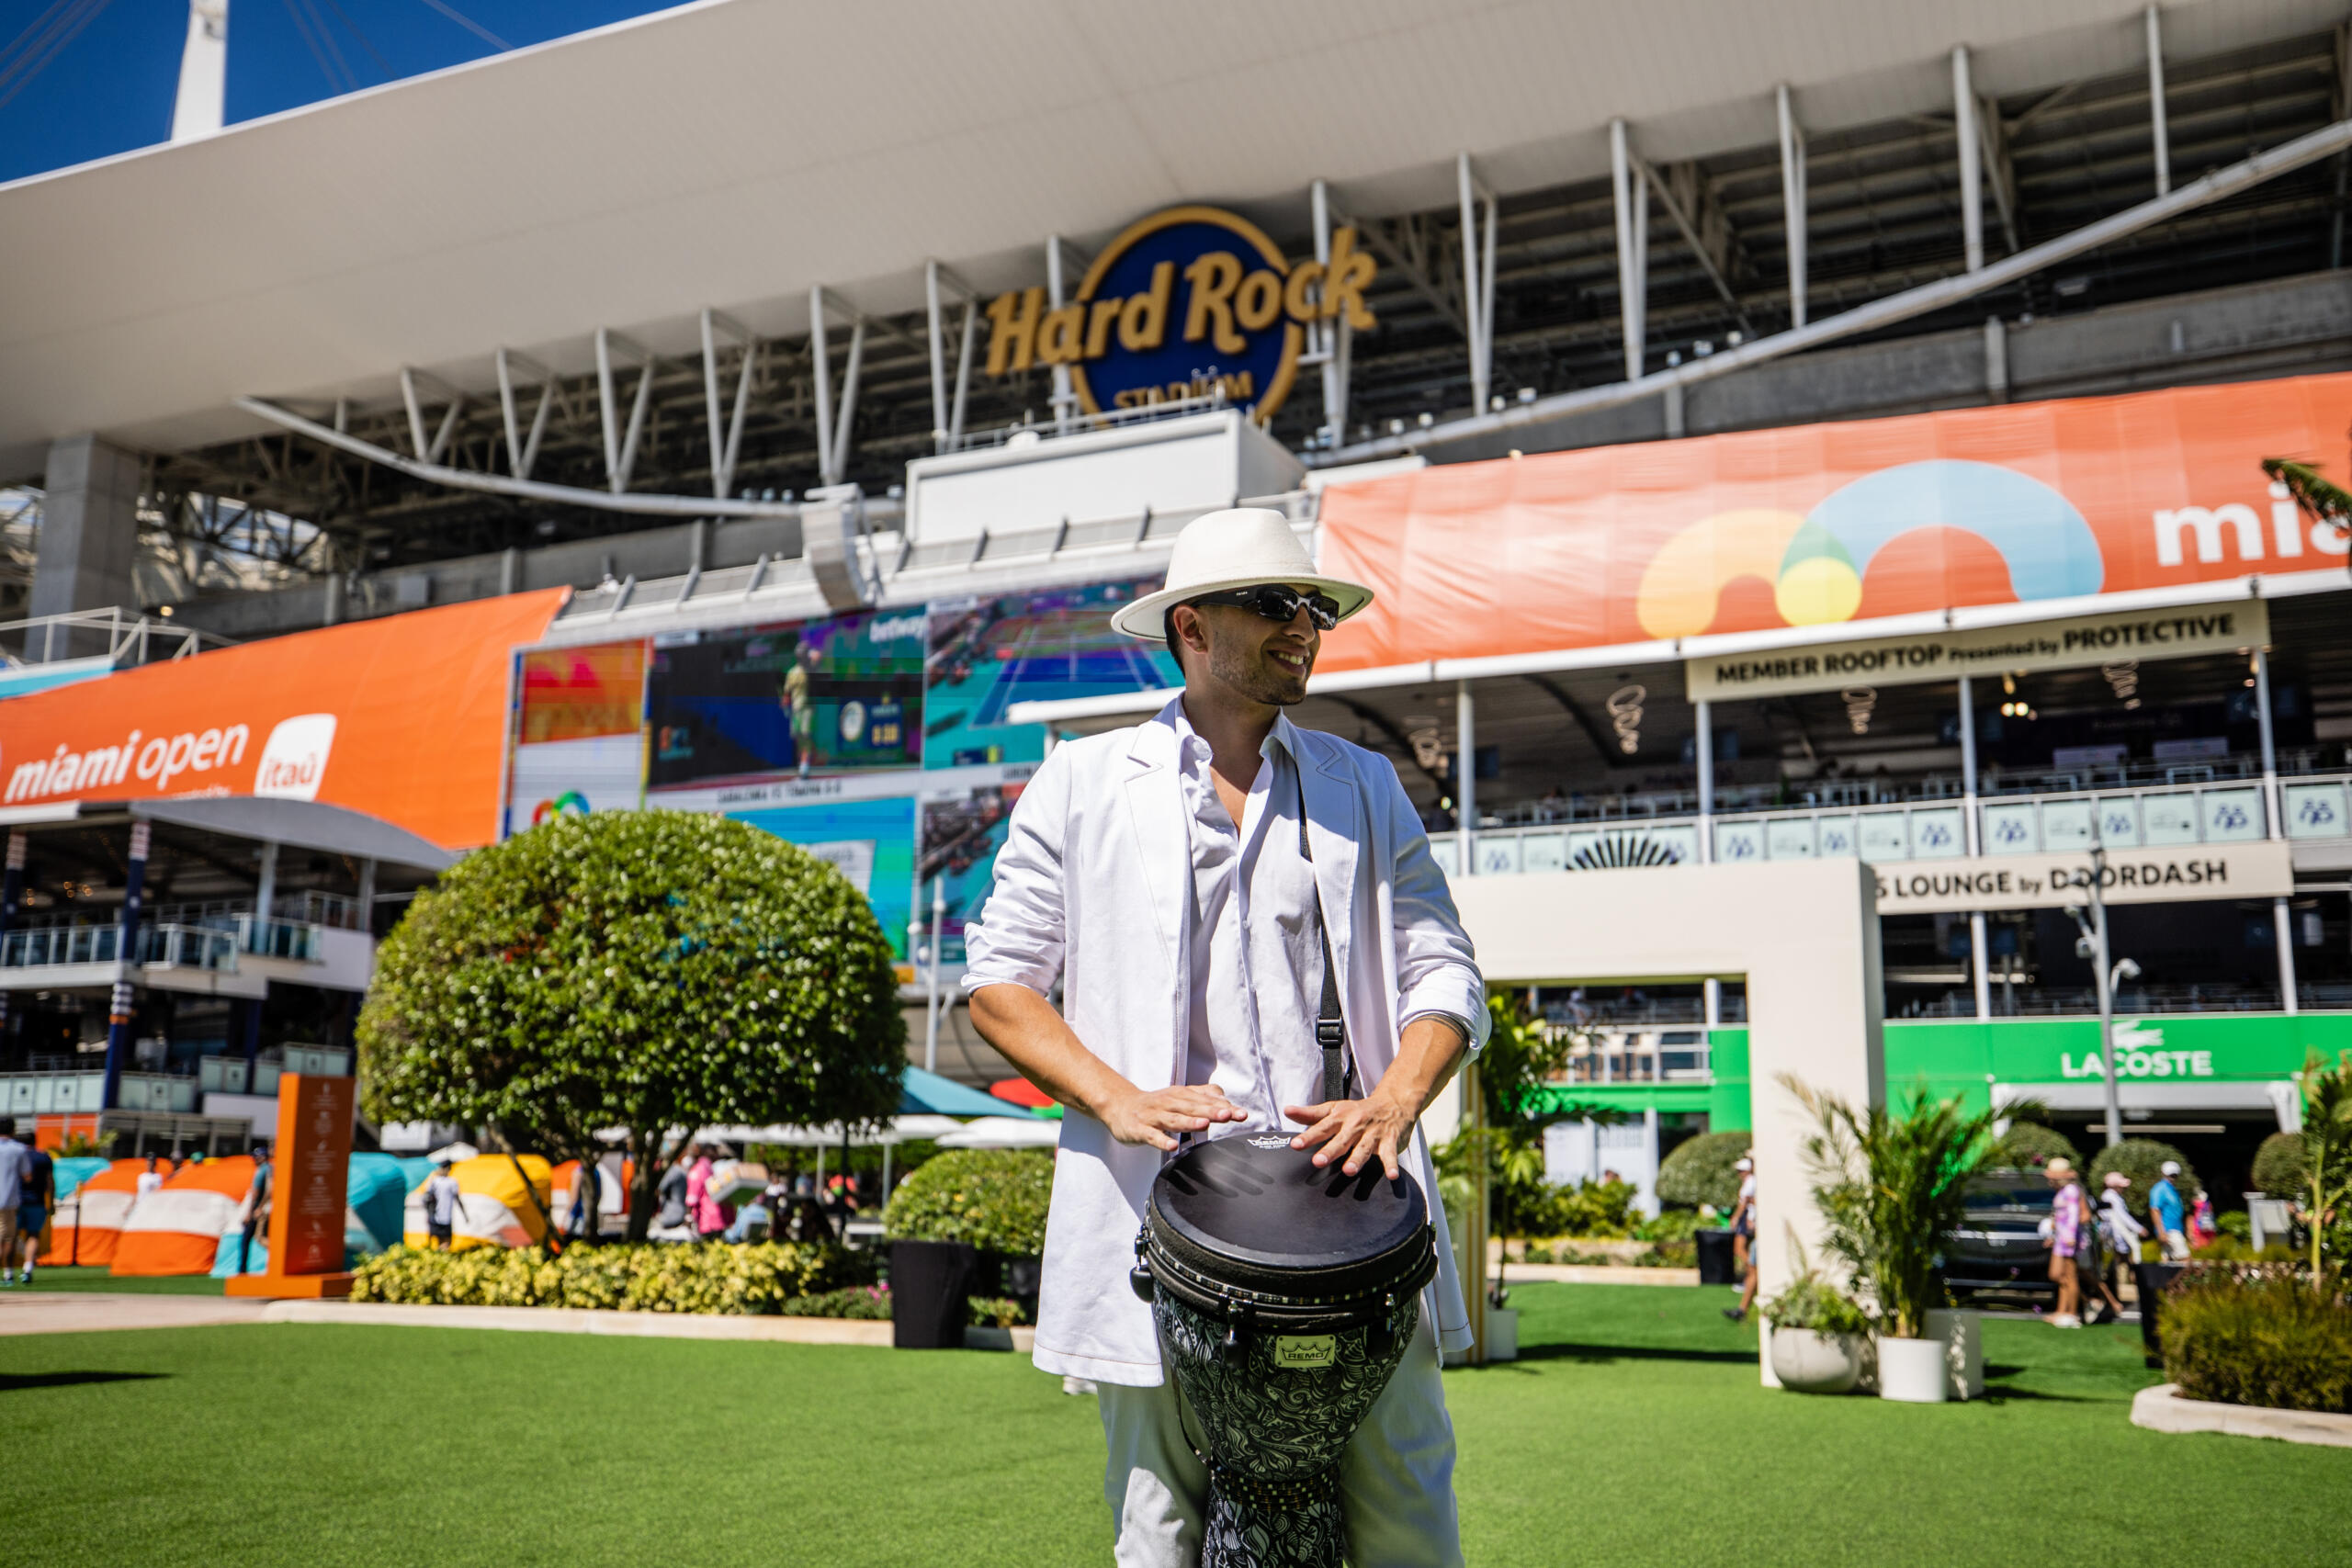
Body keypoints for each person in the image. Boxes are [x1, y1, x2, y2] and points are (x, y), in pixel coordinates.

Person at [964, 508, 1487, 1568]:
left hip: (1352, 1213)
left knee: (1405, 1520)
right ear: (1192, 628)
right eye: (1274, 604)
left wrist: (1394, 1098)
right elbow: (999, 985)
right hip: (1156, 1219)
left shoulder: (1363, 783)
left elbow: (1447, 970)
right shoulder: (1081, 782)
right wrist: (1115, 1097)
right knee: (1158, 1525)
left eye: (1314, 608)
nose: (1304, 625)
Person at [2044, 1156, 2086, 1327]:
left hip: (2069, 1239)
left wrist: (2069, 1237)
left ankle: (2071, 1313)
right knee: (2060, 1275)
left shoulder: (2071, 1190)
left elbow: (2074, 1215)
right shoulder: (2063, 1191)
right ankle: (2062, 1311)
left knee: (2070, 1275)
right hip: (2061, 1239)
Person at [1723, 1155, 1759, 1323]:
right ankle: (1742, 1309)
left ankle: (1748, 1279)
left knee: (1741, 1251)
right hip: (1752, 1221)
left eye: (1740, 1171)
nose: (1738, 1174)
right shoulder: (1751, 1181)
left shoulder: (1752, 1181)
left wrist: (1737, 1218)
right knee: (1748, 1259)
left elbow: (1744, 1202)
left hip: (1750, 1220)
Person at [16, 1138, 52, 1286]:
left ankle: (8, 1273)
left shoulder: (15, 1155)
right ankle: (28, 1268)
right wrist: (51, 1201)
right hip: (37, 1202)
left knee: (8, 1236)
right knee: (33, 1234)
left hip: (14, 1202)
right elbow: (50, 1180)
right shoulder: (44, 1157)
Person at [0, 1119, 28, 1287]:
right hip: (8, 1199)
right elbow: (27, 1175)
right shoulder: (18, 1149)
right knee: (8, 1238)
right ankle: (8, 1274)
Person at [240, 1143, 273, 1274]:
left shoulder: (263, 1170)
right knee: (257, 1237)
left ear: (263, 1157)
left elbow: (259, 1192)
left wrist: (256, 1209)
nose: (254, 1159)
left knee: (254, 1238)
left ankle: (242, 1270)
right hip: (265, 1207)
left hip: (259, 1209)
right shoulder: (270, 1168)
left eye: (256, 1157)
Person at [2148, 1162, 2189, 1261]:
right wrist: (2161, 1232)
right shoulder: (2160, 1188)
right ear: (2163, 1173)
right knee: (2186, 1261)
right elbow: (2154, 1210)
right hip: (2169, 1231)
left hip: (2175, 1230)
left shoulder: (2173, 1190)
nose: (2172, 1177)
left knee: (2168, 1262)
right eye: (2170, 1174)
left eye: (2174, 1175)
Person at [423, 1158, 461, 1249]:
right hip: (438, 1216)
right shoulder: (436, 1181)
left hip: (440, 1216)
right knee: (444, 1240)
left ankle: (438, 1254)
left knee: (441, 1240)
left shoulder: (437, 1181)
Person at [686, 1146, 724, 1240]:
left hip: (706, 1219)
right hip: (717, 1217)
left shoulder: (698, 1170)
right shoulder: (709, 1169)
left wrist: (688, 1218)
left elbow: (692, 1198)